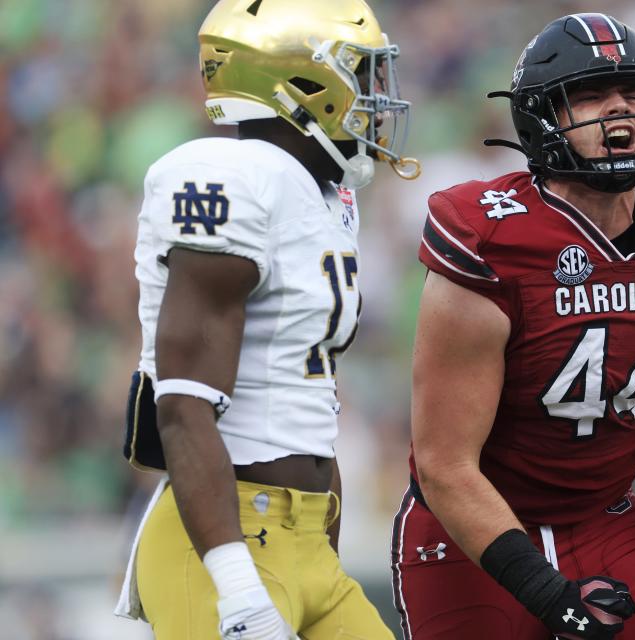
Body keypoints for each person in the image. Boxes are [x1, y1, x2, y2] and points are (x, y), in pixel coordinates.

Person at [391, 12, 635, 640]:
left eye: (633, 95)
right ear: (542, 119)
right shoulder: (490, 236)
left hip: (603, 517)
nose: (619, 111)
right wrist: (545, 592)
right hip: (472, 528)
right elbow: (446, 464)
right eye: (589, 97)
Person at [113, 1, 419, 638]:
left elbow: (308, 402)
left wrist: (321, 542)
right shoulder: (232, 176)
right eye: (359, 73)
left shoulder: (322, 191)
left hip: (305, 540)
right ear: (301, 79)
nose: (375, 95)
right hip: (225, 543)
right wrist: (237, 587)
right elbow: (184, 406)